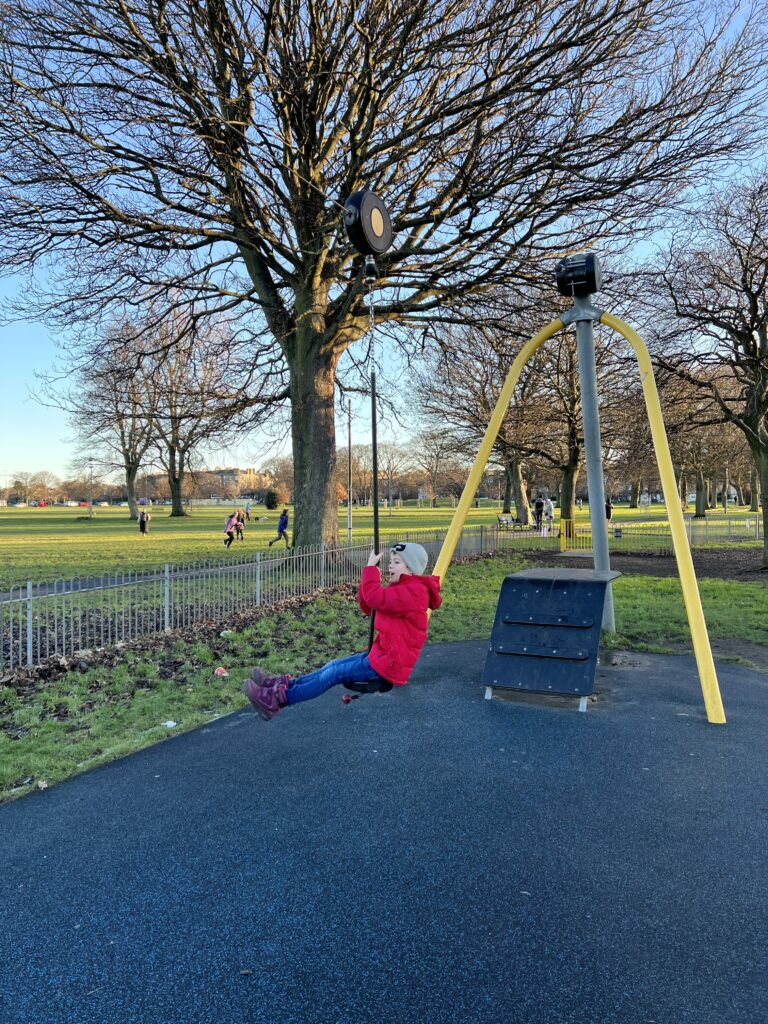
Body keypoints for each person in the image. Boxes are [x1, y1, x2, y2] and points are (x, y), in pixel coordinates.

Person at [243, 542, 442, 721]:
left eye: (396, 562)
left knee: (334, 674)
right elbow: (369, 606)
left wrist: (371, 569)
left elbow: (374, 599)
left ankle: (277, 700)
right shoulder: (401, 589)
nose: (390, 565)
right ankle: (284, 686)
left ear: (411, 569)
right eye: (391, 561)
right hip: (380, 655)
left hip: (388, 665)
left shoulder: (414, 592)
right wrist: (369, 581)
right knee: (333, 665)